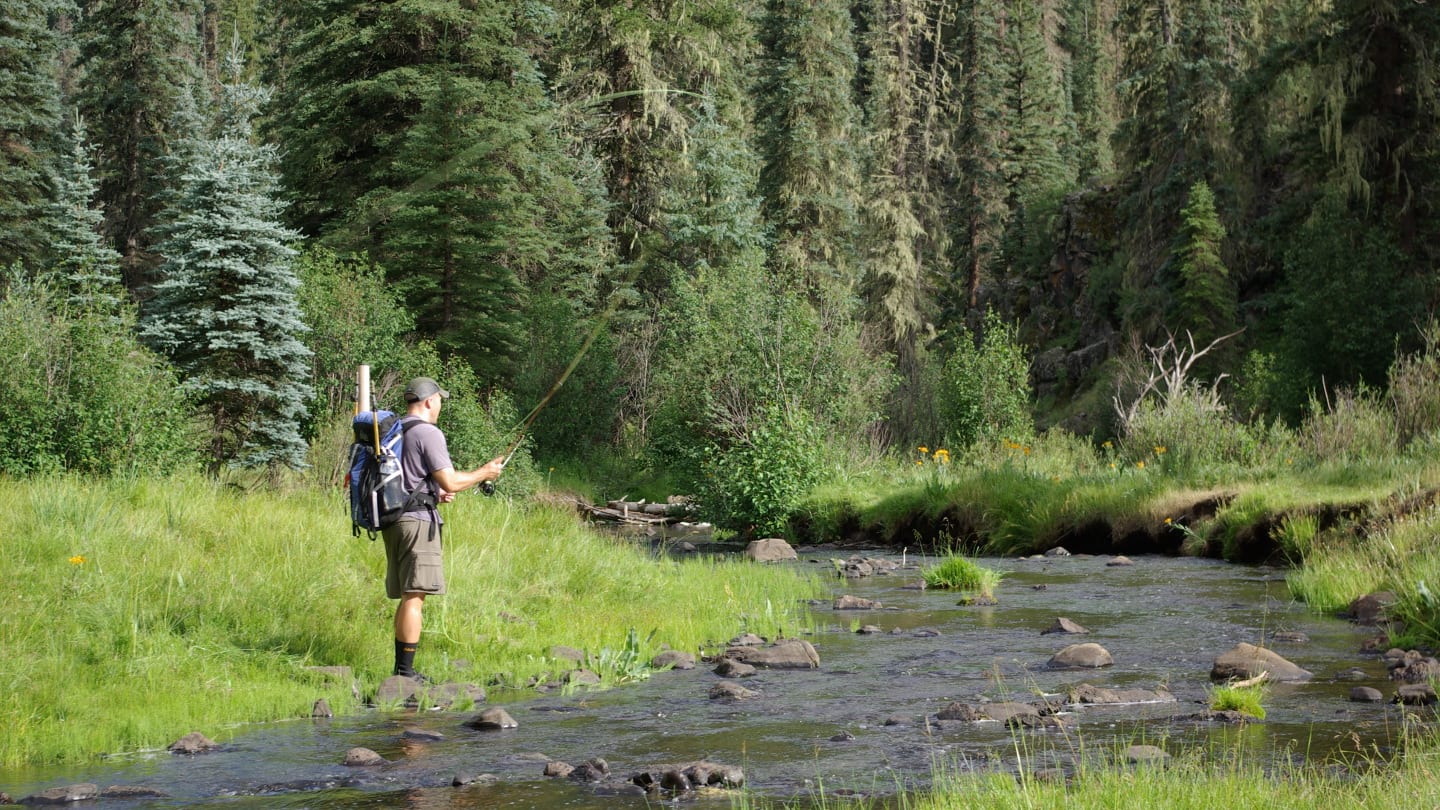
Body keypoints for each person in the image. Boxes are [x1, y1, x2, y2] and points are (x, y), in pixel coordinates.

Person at [384, 376, 506, 682]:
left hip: (394, 519)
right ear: (428, 401)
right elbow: (451, 481)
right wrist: (485, 473)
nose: (440, 405)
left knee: (408, 595)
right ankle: (405, 674)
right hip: (417, 523)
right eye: (439, 400)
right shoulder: (428, 432)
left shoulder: (397, 429)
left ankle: (401, 670)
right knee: (415, 596)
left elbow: (410, 477)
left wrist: (434, 493)